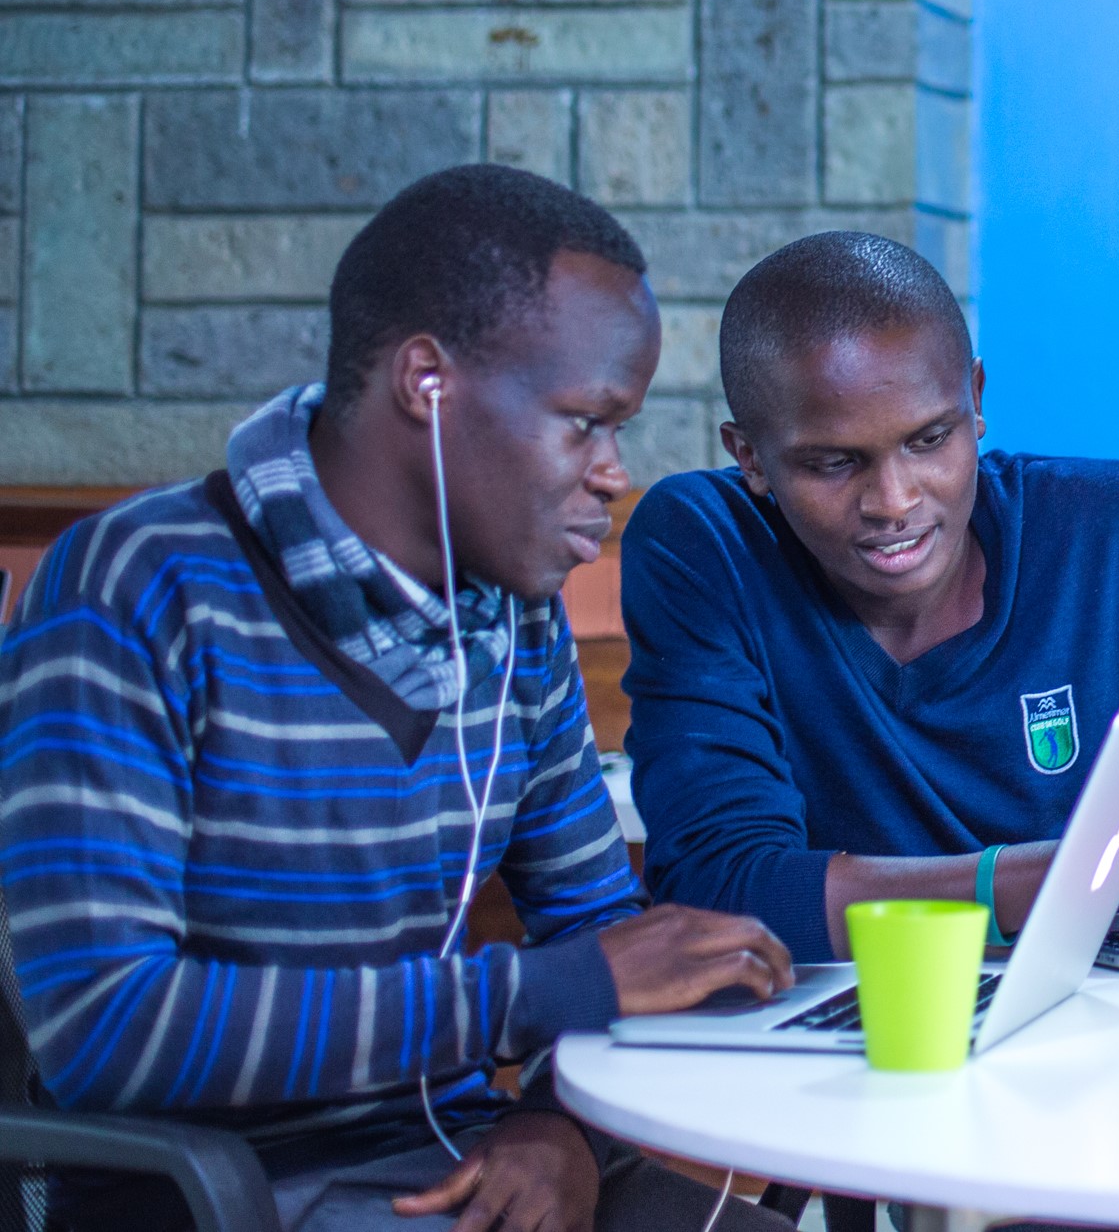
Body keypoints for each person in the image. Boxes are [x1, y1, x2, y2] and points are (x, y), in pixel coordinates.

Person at [0, 165, 798, 1230]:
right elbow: (106, 1026)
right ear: (428, 382)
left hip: (464, 1158)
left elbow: (604, 939)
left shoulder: (513, 619)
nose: (613, 471)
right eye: (585, 422)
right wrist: (529, 997)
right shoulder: (138, 587)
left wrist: (557, 1123)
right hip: (228, 1194)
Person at [623, 232, 1119, 964]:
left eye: (930, 440)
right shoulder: (708, 546)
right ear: (750, 458)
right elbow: (721, 893)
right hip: (857, 1038)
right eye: (834, 463)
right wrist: (1086, 871)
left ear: (976, 398)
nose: (893, 501)